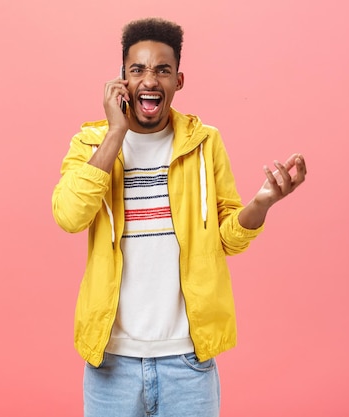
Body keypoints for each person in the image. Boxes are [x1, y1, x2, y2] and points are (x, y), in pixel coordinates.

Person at [52, 17, 307, 417]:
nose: (149, 80)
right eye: (137, 70)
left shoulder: (205, 143)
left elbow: (228, 238)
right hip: (110, 364)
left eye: (162, 70)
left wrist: (262, 203)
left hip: (188, 363)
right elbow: (69, 215)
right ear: (121, 81)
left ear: (178, 80)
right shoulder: (89, 143)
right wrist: (115, 134)